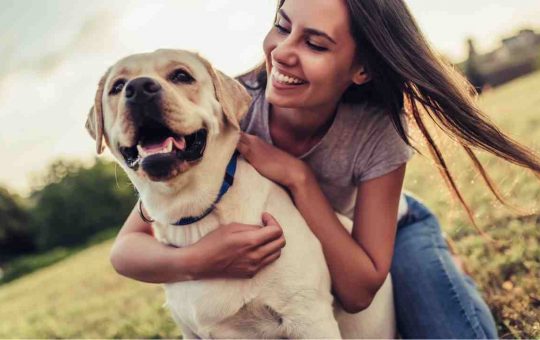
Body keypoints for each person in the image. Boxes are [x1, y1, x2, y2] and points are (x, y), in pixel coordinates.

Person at [110, 0, 540, 338]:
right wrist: (202, 258)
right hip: (312, 254)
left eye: (315, 44)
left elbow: (357, 290)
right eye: (282, 24)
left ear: (362, 69)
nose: (283, 51)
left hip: (389, 234)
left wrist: (298, 178)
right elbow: (127, 247)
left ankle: (445, 265)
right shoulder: (226, 109)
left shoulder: (377, 130)